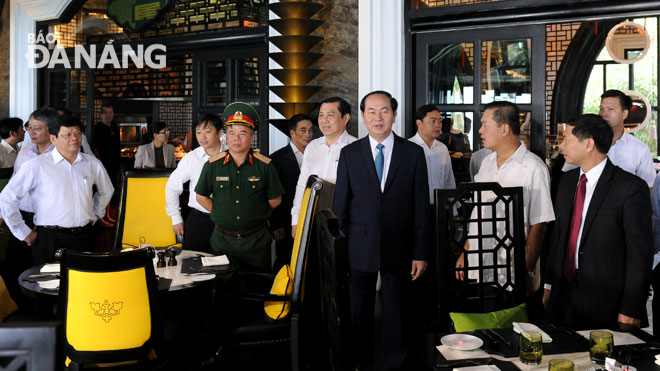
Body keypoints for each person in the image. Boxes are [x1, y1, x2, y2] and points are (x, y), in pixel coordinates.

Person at [333, 91, 430, 371]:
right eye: (372, 112)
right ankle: (359, 362)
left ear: (395, 115)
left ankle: (393, 363)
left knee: (396, 312)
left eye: (384, 111)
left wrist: (420, 252)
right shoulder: (350, 153)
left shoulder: (413, 153)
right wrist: (340, 250)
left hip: (399, 246)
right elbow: (341, 206)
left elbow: (420, 206)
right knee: (358, 311)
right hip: (358, 245)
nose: (378, 117)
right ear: (362, 117)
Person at [543, 114, 652, 330]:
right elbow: (557, 237)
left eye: (567, 140)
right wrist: (548, 285)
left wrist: (631, 308)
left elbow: (639, 255)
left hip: (607, 301)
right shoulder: (566, 181)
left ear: (589, 144)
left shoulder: (629, 188)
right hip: (564, 295)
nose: (561, 145)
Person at [456, 102, 554, 296]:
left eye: (485, 125)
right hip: (478, 261)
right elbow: (478, 211)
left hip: (509, 268)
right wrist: (466, 251)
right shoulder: (487, 162)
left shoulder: (534, 167)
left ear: (505, 129)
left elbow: (540, 223)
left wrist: (526, 267)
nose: (480, 130)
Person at [0, 114, 114, 265]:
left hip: (85, 236)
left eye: (77, 133)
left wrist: (95, 214)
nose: (74, 138)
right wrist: (24, 233)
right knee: (48, 286)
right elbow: (7, 198)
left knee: (83, 283)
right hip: (50, 238)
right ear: (53, 138)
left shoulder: (92, 163)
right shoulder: (37, 165)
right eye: (67, 134)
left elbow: (107, 190)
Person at [195, 103, 284, 271]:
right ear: (226, 137)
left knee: (256, 289)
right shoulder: (213, 165)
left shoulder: (264, 166)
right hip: (222, 241)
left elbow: (276, 198)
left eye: (242, 133)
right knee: (223, 292)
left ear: (251, 137)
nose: (236, 138)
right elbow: (201, 196)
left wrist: (255, 213)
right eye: (231, 133)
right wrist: (220, 212)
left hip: (256, 242)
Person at [290, 97, 357, 237]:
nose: (324, 120)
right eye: (321, 115)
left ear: (345, 118)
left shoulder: (356, 148)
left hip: (345, 216)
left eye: (330, 115)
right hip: (312, 214)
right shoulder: (312, 146)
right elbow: (302, 185)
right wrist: (296, 219)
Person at [563, 90, 655, 188]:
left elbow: (648, 187)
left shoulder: (640, 149)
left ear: (624, 114)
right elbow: (568, 176)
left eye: (610, 109)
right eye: (602, 109)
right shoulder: (586, 143)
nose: (604, 114)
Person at [165, 114, 226, 253]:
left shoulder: (232, 154)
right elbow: (172, 187)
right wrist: (176, 217)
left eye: (207, 132)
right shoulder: (191, 158)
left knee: (227, 265)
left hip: (226, 222)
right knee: (193, 265)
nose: (202, 137)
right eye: (198, 132)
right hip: (200, 220)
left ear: (220, 132)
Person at [270, 113, 313, 271]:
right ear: (292, 133)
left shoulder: (316, 155)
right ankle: (282, 295)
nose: (307, 135)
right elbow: (273, 194)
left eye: (310, 130)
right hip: (286, 222)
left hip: (311, 219)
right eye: (303, 130)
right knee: (285, 262)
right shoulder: (277, 159)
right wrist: (276, 225)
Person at [409, 104, 455, 203]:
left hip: (440, 206)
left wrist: (453, 209)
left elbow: (449, 181)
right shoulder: (408, 148)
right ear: (419, 123)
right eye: (433, 121)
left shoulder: (443, 148)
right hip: (415, 207)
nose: (438, 125)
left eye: (440, 121)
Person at [93, 104, 119, 227]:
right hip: (102, 164)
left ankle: (108, 215)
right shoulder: (97, 128)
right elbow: (95, 147)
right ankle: (100, 217)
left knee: (110, 190)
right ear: (101, 115)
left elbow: (117, 147)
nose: (109, 115)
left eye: (111, 112)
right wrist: (100, 162)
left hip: (114, 164)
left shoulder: (114, 126)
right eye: (107, 113)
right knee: (102, 191)